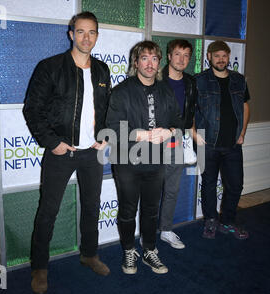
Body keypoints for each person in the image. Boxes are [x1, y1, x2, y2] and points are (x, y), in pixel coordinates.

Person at [23, 11, 111, 294]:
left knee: (91, 206)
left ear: (97, 36)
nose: (87, 37)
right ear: (71, 33)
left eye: (92, 32)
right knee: (48, 211)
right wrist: (52, 141)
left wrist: (105, 136)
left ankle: (89, 254)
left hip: (92, 153)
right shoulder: (50, 67)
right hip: (61, 152)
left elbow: (107, 109)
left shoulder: (102, 70)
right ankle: (39, 267)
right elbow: (32, 109)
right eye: (81, 31)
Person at [106, 41, 181, 274]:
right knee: (128, 210)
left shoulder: (166, 91)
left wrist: (168, 132)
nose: (150, 64)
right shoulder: (120, 91)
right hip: (127, 161)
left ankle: (149, 249)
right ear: (135, 62)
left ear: (159, 62)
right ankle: (129, 250)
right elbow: (110, 129)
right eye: (145, 58)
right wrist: (141, 134)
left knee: (150, 210)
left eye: (154, 59)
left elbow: (178, 126)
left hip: (155, 161)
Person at [194, 40, 250, 240]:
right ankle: (210, 220)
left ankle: (227, 221)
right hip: (206, 144)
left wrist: (242, 132)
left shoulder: (239, 80)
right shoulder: (198, 80)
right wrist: (194, 133)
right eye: (216, 55)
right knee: (208, 184)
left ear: (228, 57)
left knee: (236, 185)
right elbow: (188, 110)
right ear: (209, 57)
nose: (220, 59)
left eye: (224, 55)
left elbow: (244, 107)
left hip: (233, 144)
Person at [158, 39, 197, 249]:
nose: (181, 59)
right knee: (150, 189)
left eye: (186, 56)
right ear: (169, 55)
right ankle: (145, 231)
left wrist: (192, 137)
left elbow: (190, 113)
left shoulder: (191, 82)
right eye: (177, 54)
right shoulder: (155, 78)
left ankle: (165, 230)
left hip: (178, 141)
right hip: (154, 141)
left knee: (172, 189)